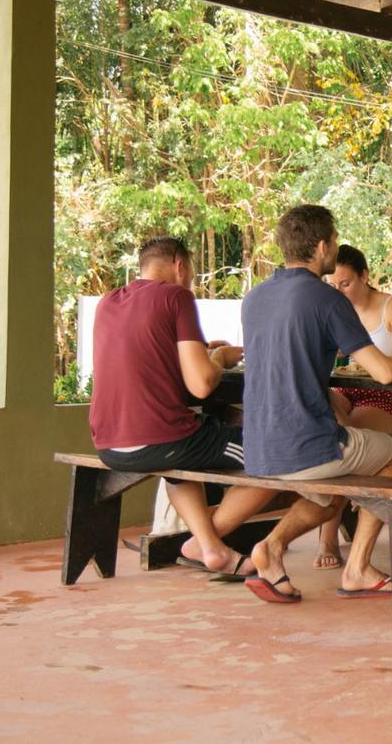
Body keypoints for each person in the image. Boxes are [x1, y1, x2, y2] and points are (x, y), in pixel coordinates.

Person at [241, 205, 392, 603]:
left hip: (257, 447)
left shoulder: (254, 298)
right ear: (322, 246)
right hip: (307, 445)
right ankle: (357, 567)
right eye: (334, 241)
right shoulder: (327, 299)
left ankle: (271, 547)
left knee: (332, 490)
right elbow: (386, 373)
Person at [88, 236, 272, 579]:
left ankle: (213, 550)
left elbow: (146, 357)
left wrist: (202, 351)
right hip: (162, 441)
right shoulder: (176, 295)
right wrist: (215, 358)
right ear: (179, 265)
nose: (189, 280)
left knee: (180, 464)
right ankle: (201, 543)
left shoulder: (108, 302)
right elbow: (202, 384)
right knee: (281, 453)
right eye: (190, 273)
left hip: (109, 444)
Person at [312, 243, 392, 570]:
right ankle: (328, 535)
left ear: (364, 277)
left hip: (387, 396)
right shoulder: (333, 311)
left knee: (347, 435)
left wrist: (377, 363)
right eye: (332, 286)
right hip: (347, 390)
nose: (339, 292)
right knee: (320, 416)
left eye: (345, 284)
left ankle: (343, 521)